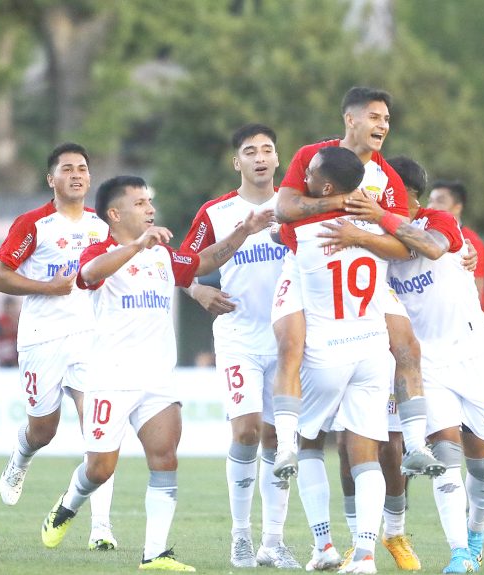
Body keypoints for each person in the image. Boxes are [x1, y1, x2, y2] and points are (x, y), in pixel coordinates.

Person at [39, 175, 273, 571]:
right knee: (100, 469)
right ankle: (67, 505)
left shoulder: (164, 255)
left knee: (165, 459)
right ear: (115, 214)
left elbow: (203, 261)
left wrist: (244, 232)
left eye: (151, 202)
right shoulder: (101, 250)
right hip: (109, 379)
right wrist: (134, 246)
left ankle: (155, 553)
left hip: (158, 379)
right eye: (141, 203)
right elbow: (90, 274)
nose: (150, 209)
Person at [269, 87, 444, 571]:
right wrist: (351, 209)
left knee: (406, 344)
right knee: (291, 343)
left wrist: (363, 229)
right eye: (374, 116)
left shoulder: (387, 177)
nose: (383, 124)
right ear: (349, 118)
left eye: (387, 117)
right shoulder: (314, 156)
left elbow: (405, 242)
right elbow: (284, 209)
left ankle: (414, 442)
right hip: (316, 276)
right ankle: (355, 545)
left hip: (352, 277)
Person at [342, 155, 484, 574]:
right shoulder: (376, 235)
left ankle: (477, 531)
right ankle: (460, 554)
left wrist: (381, 217)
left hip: (474, 356)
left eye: (381, 192)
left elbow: (431, 247)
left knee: (482, 463)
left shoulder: (440, 220)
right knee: (445, 452)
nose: (374, 199)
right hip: (425, 364)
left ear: (403, 193)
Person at [179, 124, 299, 569]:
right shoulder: (216, 212)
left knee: (279, 439)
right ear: (238, 162)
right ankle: (241, 537)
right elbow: (181, 264)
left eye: (268, 149)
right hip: (238, 339)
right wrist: (197, 292)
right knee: (246, 431)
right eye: (251, 151)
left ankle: (274, 540)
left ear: (278, 158)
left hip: (289, 340)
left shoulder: (295, 206)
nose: (260, 157)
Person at [0, 142, 117, 550]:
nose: (76, 174)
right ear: (52, 179)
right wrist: (47, 287)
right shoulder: (33, 224)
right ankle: (21, 458)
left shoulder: (102, 227)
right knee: (43, 431)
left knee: (99, 431)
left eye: (82, 168)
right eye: (67, 169)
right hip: (41, 339)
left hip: (88, 339)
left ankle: (101, 529)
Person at [277, 146, 395, 574]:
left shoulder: (303, 229)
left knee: (310, 445)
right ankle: (364, 555)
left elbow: (281, 221)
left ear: (326, 187)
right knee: (365, 455)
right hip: (372, 349)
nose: (301, 178)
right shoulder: (375, 228)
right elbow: (403, 247)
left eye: (308, 174)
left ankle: (324, 545)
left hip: (327, 354)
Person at [428, 180, 484, 311]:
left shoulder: (471, 241)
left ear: (457, 207)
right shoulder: (424, 235)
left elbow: (477, 285)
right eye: (430, 200)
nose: (432, 206)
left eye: (440, 201)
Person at [0, 296, 20, 367]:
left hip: (18, 356)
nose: (11, 309)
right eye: (9, 306)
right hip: (5, 356)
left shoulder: (20, 319)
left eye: (12, 306)